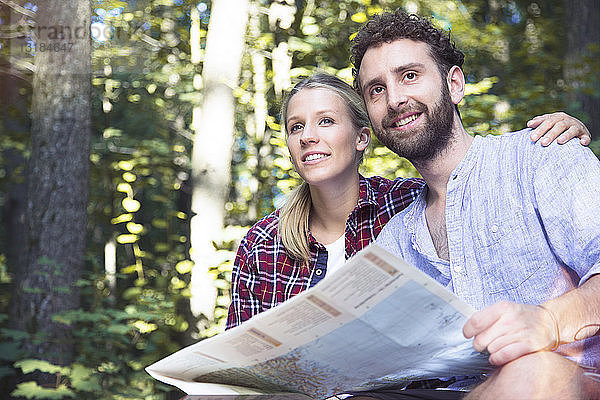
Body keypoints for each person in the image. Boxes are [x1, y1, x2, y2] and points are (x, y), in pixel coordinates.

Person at [347, 10, 600, 399]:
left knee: (536, 371)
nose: (395, 99)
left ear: (454, 85)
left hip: (567, 379)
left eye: (409, 75)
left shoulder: (543, 155)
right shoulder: (395, 240)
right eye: (376, 89)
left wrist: (550, 320)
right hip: (453, 392)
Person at [226, 72, 591, 331]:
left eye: (325, 121)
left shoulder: (404, 205)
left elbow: (468, 179)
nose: (308, 137)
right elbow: (238, 355)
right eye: (296, 127)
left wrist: (562, 134)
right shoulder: (262, 244)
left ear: (361, 138)